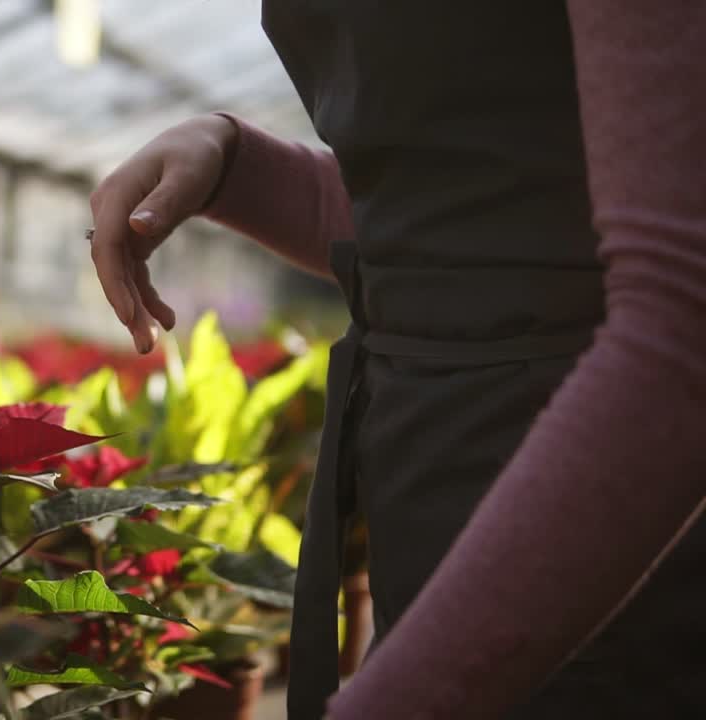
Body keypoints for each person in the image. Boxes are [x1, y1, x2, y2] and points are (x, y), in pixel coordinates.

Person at [87, 3, 704, 719]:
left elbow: (682, 321)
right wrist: (233, 164)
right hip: (447, 526)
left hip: (617, 564)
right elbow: (471, 219)